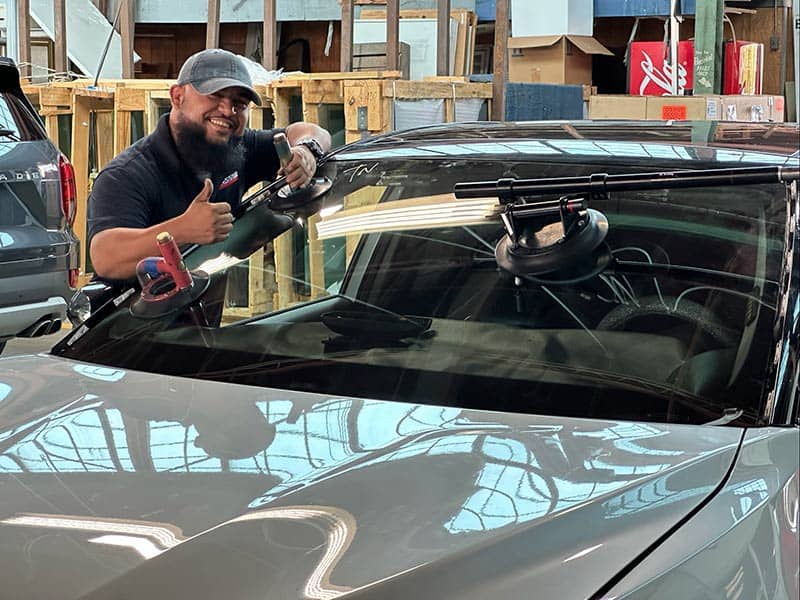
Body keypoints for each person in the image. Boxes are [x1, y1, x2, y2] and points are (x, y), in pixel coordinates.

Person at [87, 48, 331, 281]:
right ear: (177, 96)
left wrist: (307, 149)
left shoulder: (237, 148)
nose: (228, 110)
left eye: (240, 103)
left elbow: (309, 131)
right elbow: (105, 257)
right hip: (132, 320)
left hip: (200, 317)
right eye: (215, 96)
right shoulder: (127, 174)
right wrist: (182, 230)